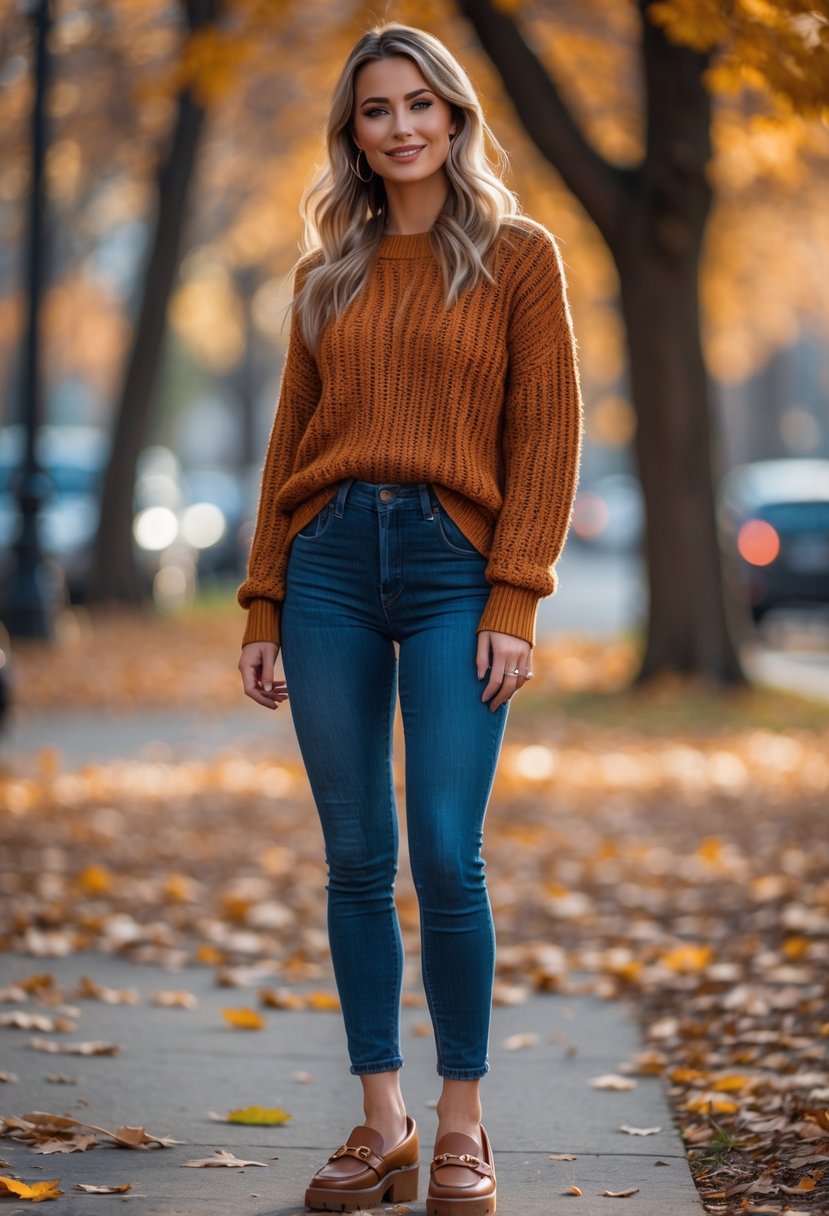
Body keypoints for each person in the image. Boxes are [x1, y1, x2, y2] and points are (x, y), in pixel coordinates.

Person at [237, 21, 583, 1215]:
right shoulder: (324, 272)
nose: (400, 127)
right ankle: (382, 1119)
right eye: (376, 109)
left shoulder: (519, 256)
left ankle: (462, 1124)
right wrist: (264, 598)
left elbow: (546, 433)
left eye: (419, 104)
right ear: (353, 130)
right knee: (354, 854)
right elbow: (288, 440)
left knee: (445, 849)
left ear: (454, 115)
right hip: (328, 561)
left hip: (453, 567)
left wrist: (514, 593)